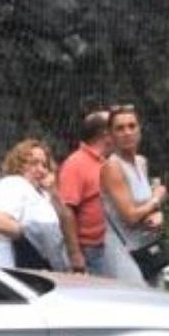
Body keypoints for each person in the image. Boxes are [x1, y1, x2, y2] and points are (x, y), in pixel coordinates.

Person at [0, 139, 86, 272]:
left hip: (41, 266)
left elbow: (64, 219)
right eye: (33, 163)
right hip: (15, 266)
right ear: (19, 165)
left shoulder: (43, 194)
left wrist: (53, 192)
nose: (40, 170)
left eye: (44, 165)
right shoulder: (13, 183)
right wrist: (31, 236)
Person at [101, 105, 169, 286]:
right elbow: (130, 216)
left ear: (139, 130)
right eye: (120, 128)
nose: (127, 132)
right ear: (110, 135)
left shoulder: (141, 162)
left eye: (132, 126)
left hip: (148, 246)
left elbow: (146, 204)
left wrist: (157, 213)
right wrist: (157, 198)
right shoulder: (112, 167)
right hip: (125, 252)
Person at [58, 109, 113, 275]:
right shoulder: (76, 163)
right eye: (116, 128)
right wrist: (75, 253)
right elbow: (66, 210)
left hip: (107, 246)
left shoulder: (105, 162)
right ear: (106, 133)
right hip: (89, 250)